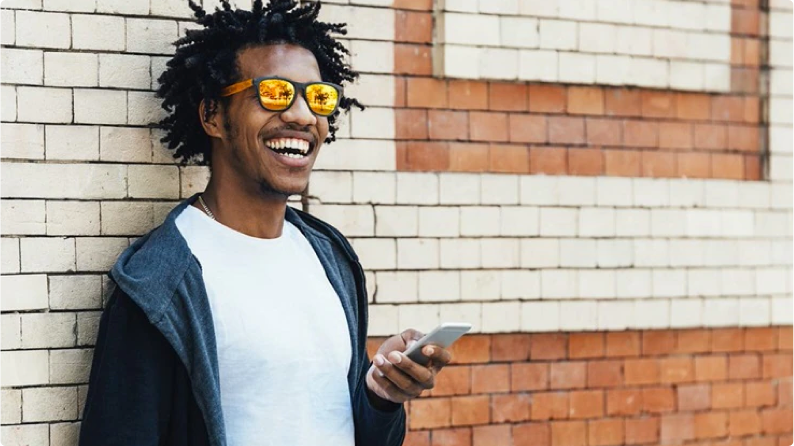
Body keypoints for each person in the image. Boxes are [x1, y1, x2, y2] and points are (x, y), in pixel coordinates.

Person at [77, 1, 452, 445]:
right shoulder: (160, 283)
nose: (301, 115)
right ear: (212, 116)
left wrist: (379, 394)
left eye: (319, 97)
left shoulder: (328, 257)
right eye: (274, 93)